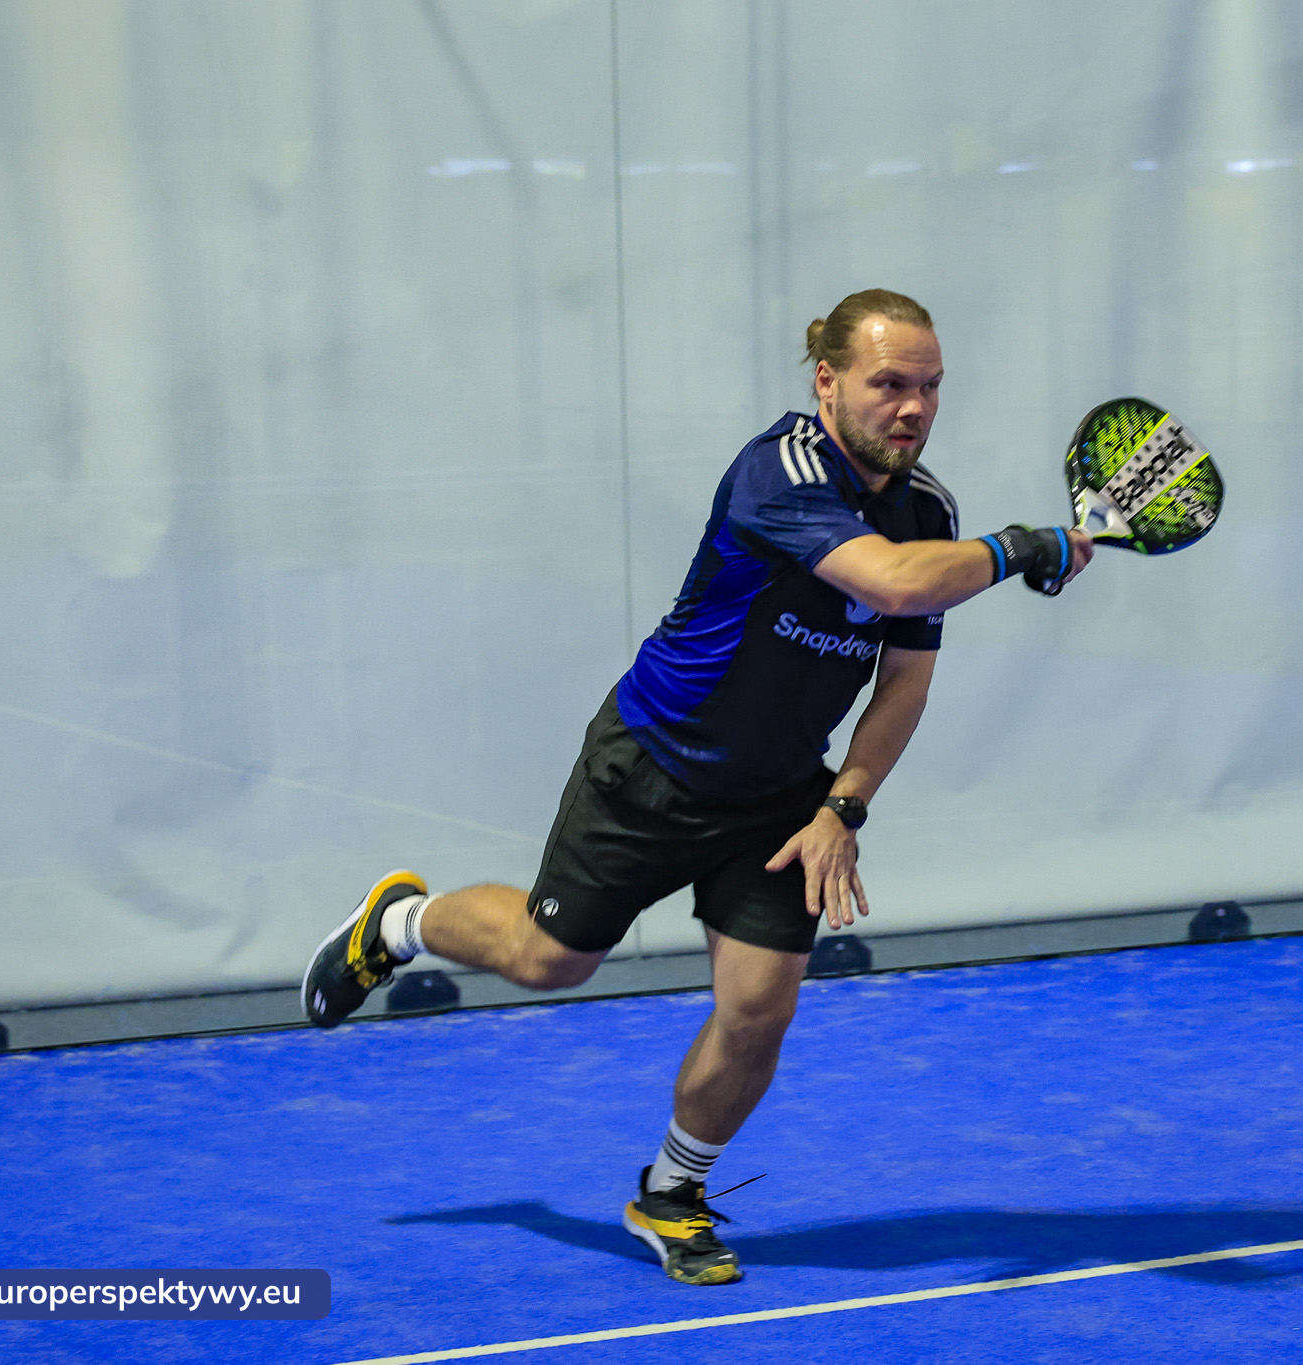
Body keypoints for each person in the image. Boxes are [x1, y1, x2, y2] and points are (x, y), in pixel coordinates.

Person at [300, 288, 1093, 1285]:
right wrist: (1021, 549)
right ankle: (399, 923)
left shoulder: (929, 509)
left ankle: (672, 1193)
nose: (912, 408)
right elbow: (890, 582)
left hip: (779, 799)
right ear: (827, 381)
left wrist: (842, 806)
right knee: (549, 961)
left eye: (930, 388)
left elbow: (904, 679)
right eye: (889, 383)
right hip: (653, 763)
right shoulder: (779, 471)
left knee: (759, 1007)